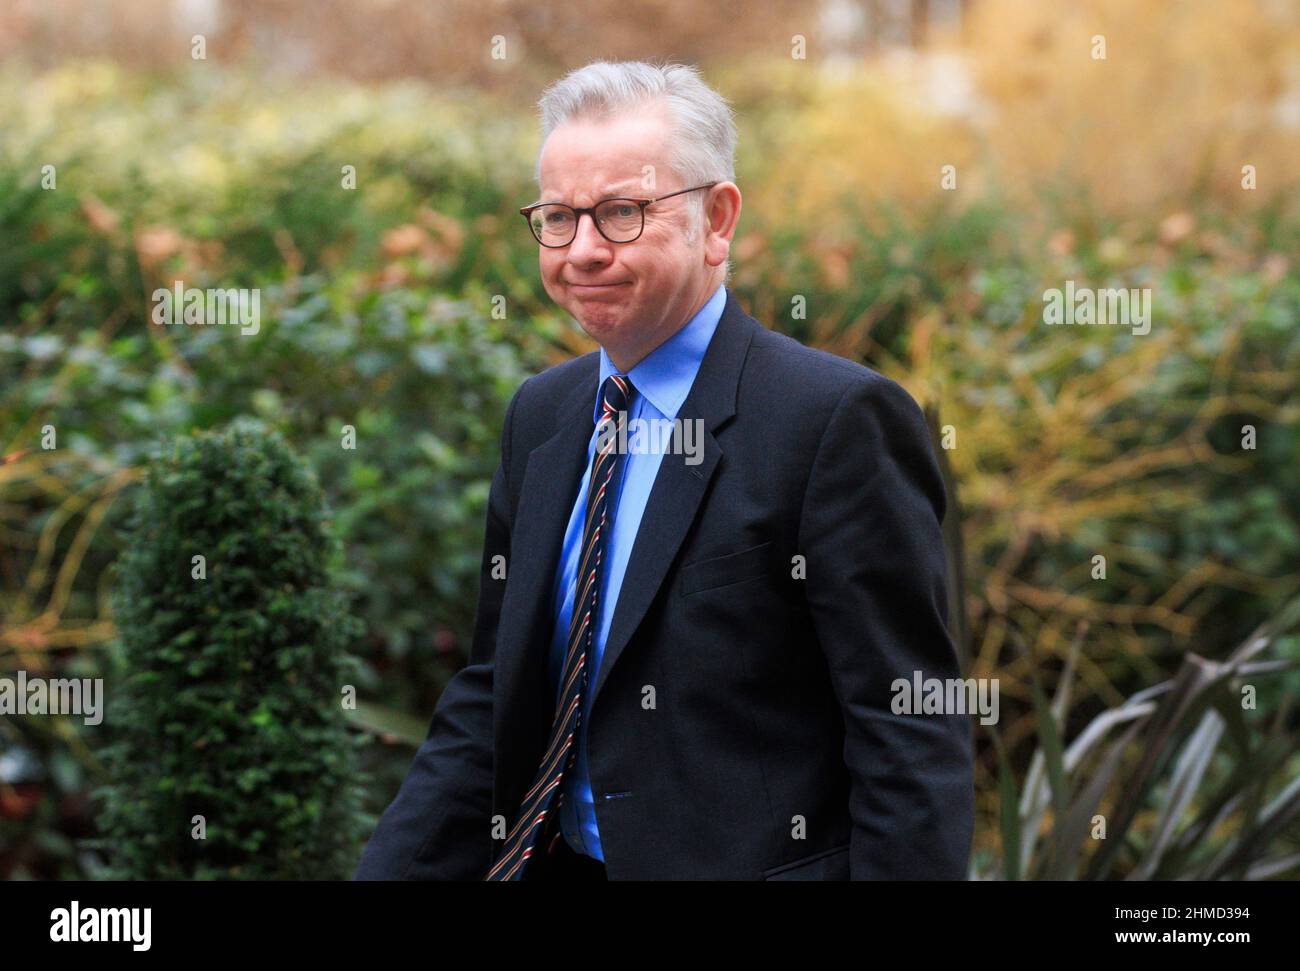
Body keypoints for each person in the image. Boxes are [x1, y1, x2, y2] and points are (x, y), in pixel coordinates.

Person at [355, 59, 973, 881]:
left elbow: (909, 732)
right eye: (557, 217)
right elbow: (496, 695)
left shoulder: (835, 422)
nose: (582, 251)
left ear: (717, 220)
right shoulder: (541, 417)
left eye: (621, 213)